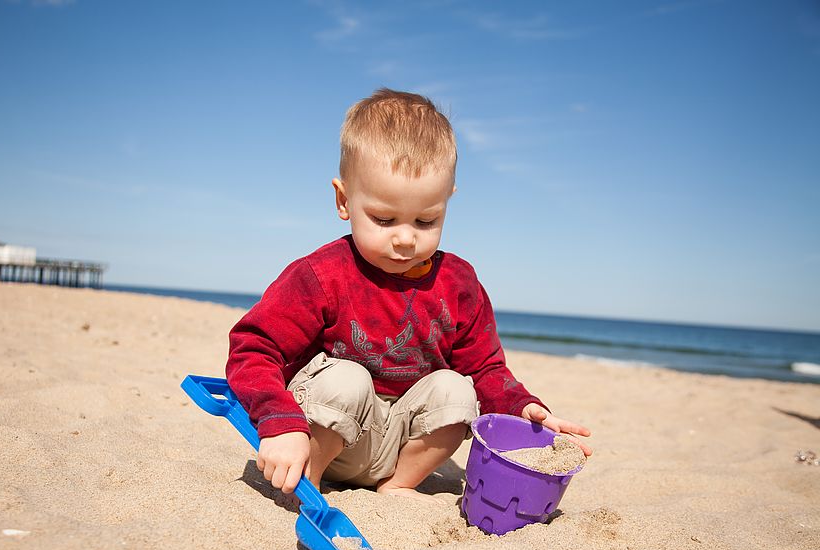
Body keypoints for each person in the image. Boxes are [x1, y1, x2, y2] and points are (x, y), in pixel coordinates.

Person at [226, 88, 591, 501]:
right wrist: (280, 422)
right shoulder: (322, 275)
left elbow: (484, 369)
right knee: (348, 378)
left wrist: (522, 408)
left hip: (400, 441)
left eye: (425, 220)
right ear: (344, 200)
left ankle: (396, 487)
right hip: (326, 432)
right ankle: (310, 483)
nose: (405, 239)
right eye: (384, 219)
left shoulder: (458, 284)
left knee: (456, 388)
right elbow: (253, 347)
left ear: (446, 203)